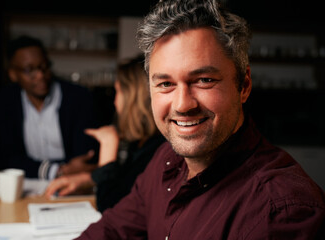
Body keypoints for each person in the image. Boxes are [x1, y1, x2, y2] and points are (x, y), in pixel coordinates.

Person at [74, 0, 325, 239]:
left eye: (204, 80)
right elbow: (113, 230)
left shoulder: (280, 212)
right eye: (165, 83)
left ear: (244, 85)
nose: (183, 105)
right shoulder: (165, 159)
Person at [45, 55, 165, 212]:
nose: (115, 101)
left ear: (132, 98)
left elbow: (110, 207)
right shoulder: (142, 143)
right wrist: (88, 179)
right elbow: (124, 183)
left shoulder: (157, 149)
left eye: (118, 92)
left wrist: (108, 145)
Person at [0, 35, 99, 180]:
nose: (40, 75)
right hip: (29, 184)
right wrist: (56, 170)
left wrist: (65, 171)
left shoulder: (78, 97)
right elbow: (6, 159)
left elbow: (85, 157)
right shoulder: (5, 102)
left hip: (73, 181)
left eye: (44, 66)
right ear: (13, 75)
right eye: (29, 70)